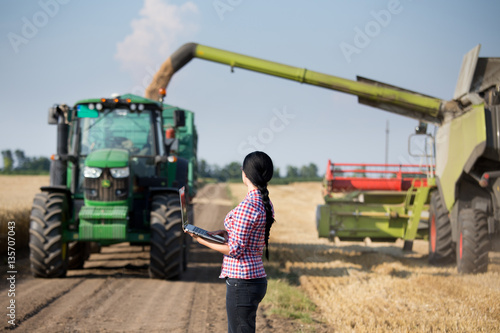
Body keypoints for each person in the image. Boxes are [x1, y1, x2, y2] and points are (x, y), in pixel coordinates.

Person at [186, 151, 275, 333]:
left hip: (242, 281)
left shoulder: (247, 206)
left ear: (245, 174)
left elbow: (234, 250)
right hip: (256, 278)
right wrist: (227, 233)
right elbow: (251, 235)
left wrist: (202, 240)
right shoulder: (265, 203)